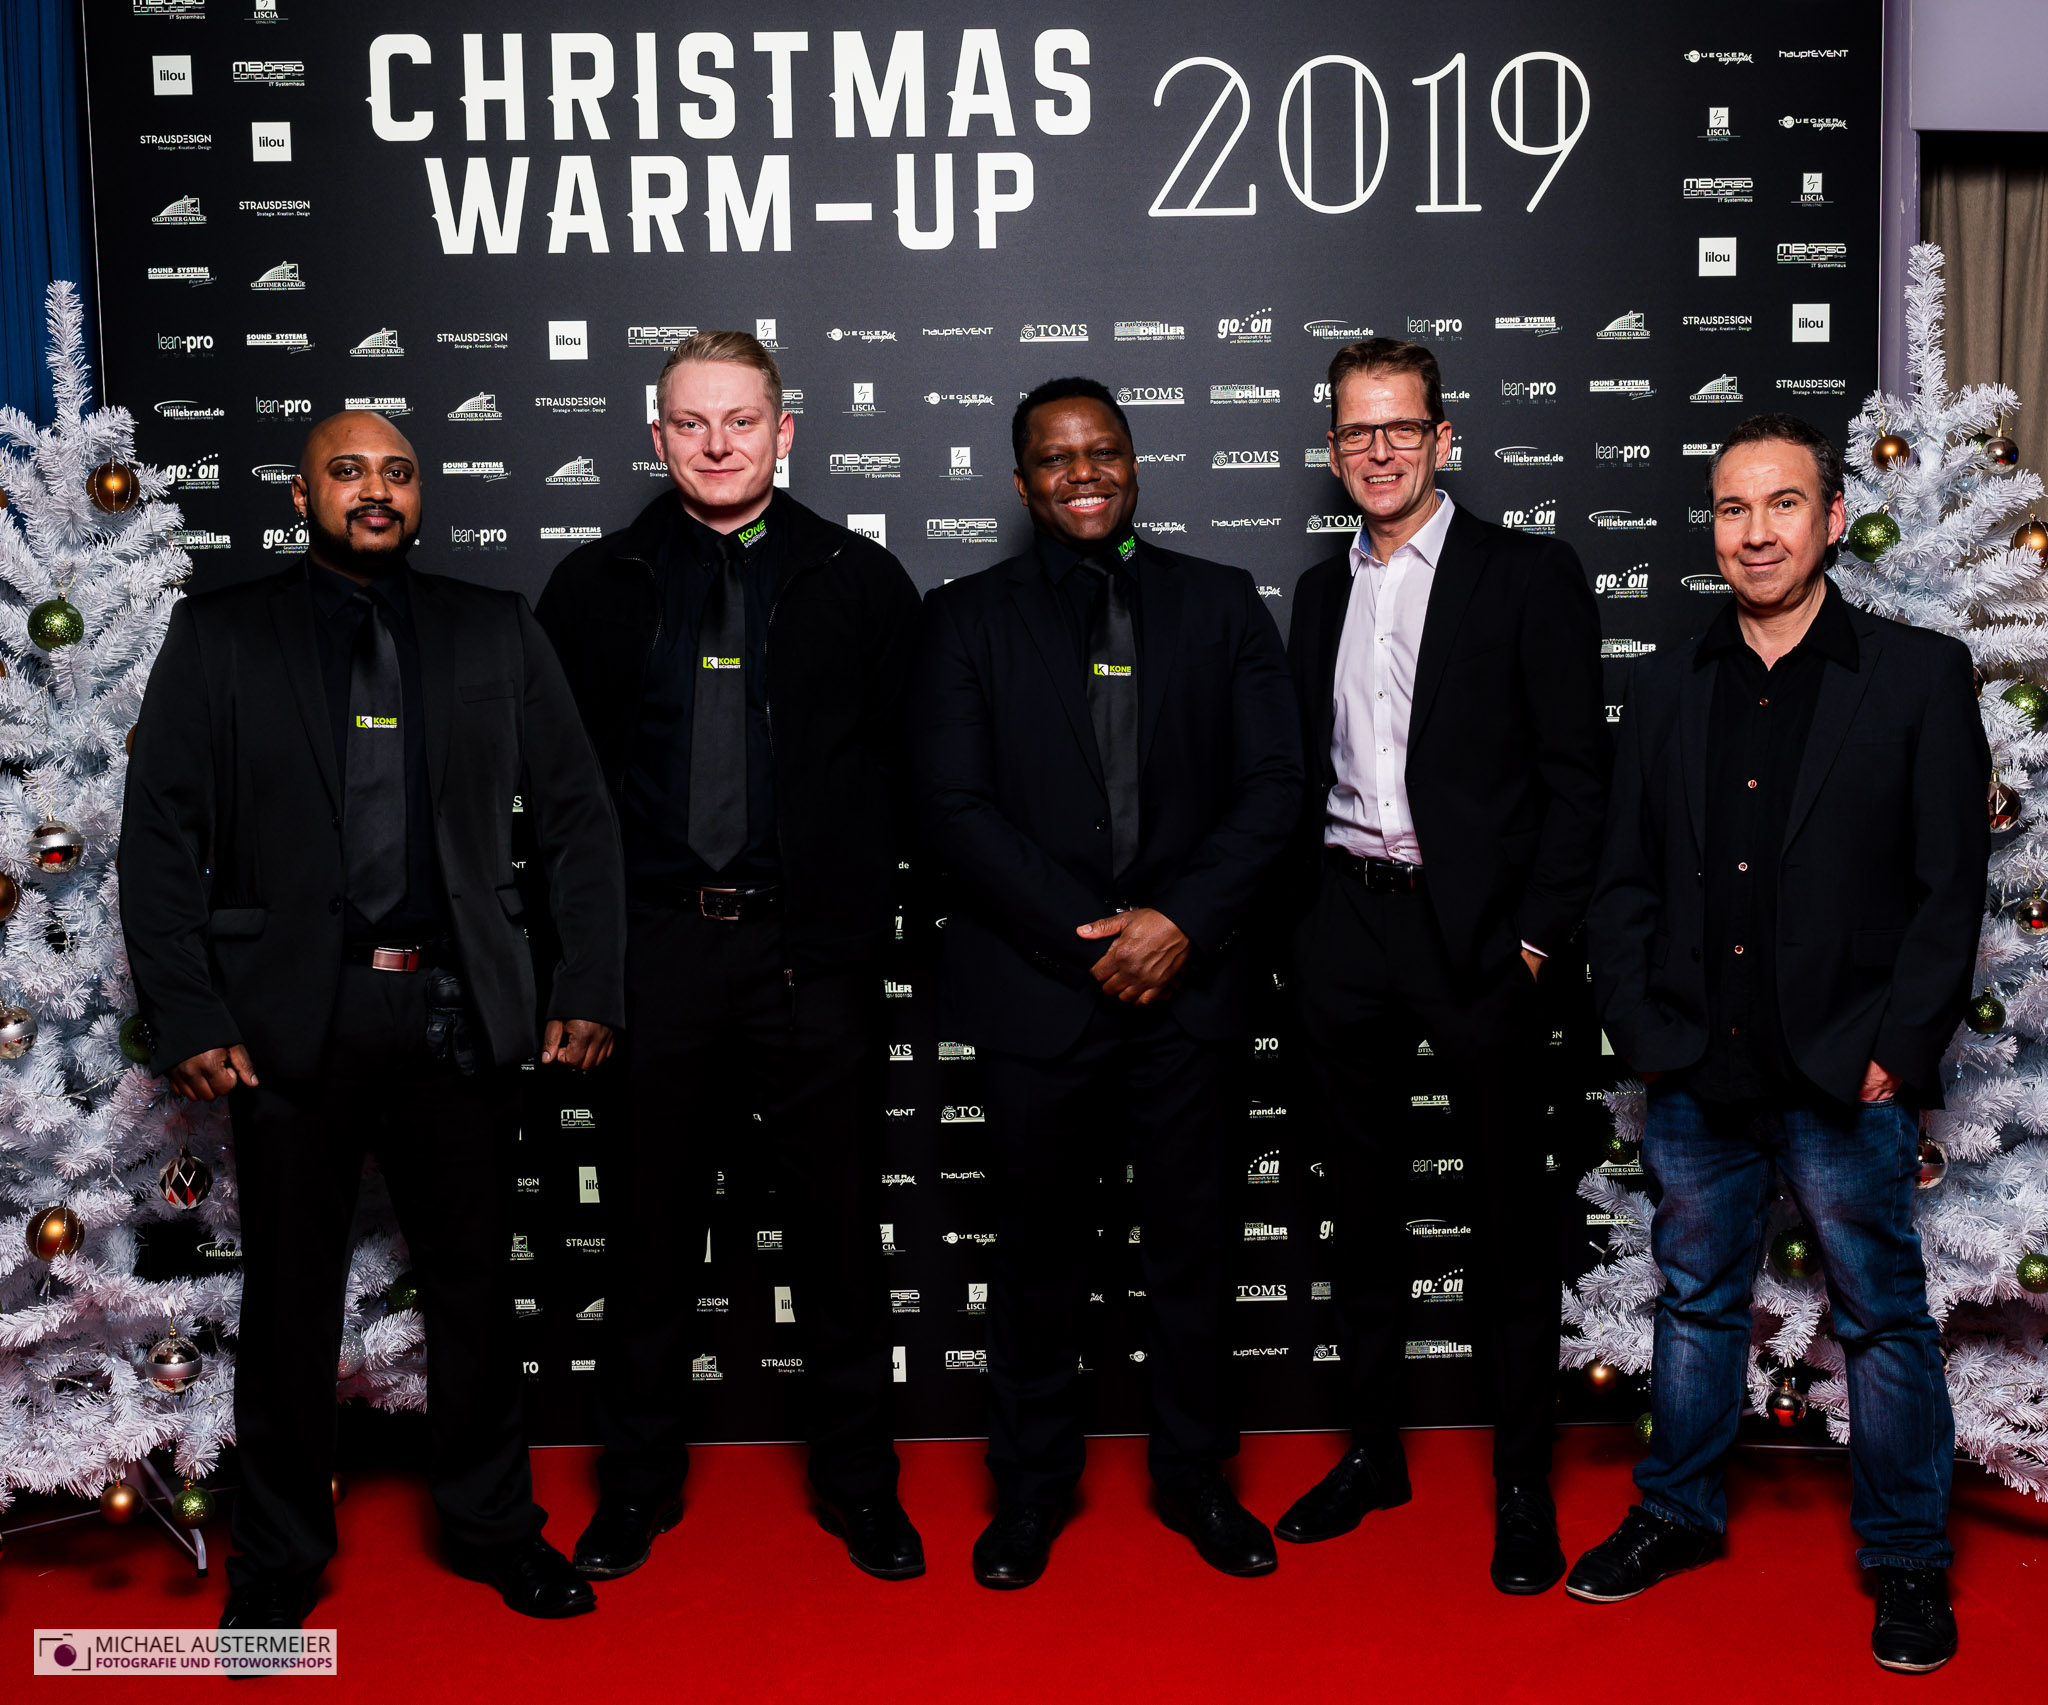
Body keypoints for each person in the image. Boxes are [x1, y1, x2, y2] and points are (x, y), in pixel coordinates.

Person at [122, 410, 626, 1628]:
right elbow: (160, 831)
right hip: (289, 1018)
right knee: (287, 1304)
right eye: (347, 471)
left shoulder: (492, 627)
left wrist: (586, 985)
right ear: (302, 497)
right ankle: (278, 1563)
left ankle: (497, 1530)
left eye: (398, 471)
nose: (376, 490)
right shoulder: (222, 632)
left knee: (474, 1294)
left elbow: (575, 816)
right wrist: (187, 1009)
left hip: (456, 1005)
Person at [1572, 413, 1988, 1673]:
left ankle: (1905, 1556)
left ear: (1828, 517)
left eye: (1782, 504)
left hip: (1843, 1069)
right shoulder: (1664, 684)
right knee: (1696, 1303)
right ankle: (1676, 1513)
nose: (1754, 532)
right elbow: (1621, 877)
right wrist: (1642, 1031)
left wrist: (1898, 1045)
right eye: (1730, 508)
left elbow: (1947, 884)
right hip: (1695, 1068)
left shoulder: (1915, 674)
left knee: (1882, 1317)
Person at [535, 330, 925, 1582]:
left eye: (740, 421)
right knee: (646, 1241)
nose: (716, 445)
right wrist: (584, 969)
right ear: (656, 437)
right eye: (691, 423)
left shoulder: (859, 580)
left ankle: (860, 1485)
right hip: (652, 955)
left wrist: (852, 932)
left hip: (805, 958)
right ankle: (635, 1488)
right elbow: (557, 797)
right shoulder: (593, 584)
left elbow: (908, 779)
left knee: (837, 1238)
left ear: (783, 431)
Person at [907, 376, 1302, 1588]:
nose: (1082, 473)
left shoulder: (1220, 602)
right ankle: (1028, 1492)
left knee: (1193, 1254)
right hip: (1037, 997)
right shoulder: (961, 618)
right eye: (1055, 457)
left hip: (1190, 992)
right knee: (1035, 1263)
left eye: (1103, 451)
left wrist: (1177, 922)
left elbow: (1274, 786)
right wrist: (1095, 941)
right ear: (1021, 480)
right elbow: (952, 809)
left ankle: (1194, 1480)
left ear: (1133, 462)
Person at [1277, 337, 1608, 1593]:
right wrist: (1304, 932)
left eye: (1400, 428)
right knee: (1357, 1210)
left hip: (1475, 938)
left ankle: (1520, 1480)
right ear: (1331, 450)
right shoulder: (1319, 592)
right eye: (1356, 431)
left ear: (1441, 438)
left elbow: (1577, 779)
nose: (1379, 451)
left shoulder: (1524, 574)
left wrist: (1530, 938)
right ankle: (1374, 1452)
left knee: (1508, 1220)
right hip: (1343, 925)